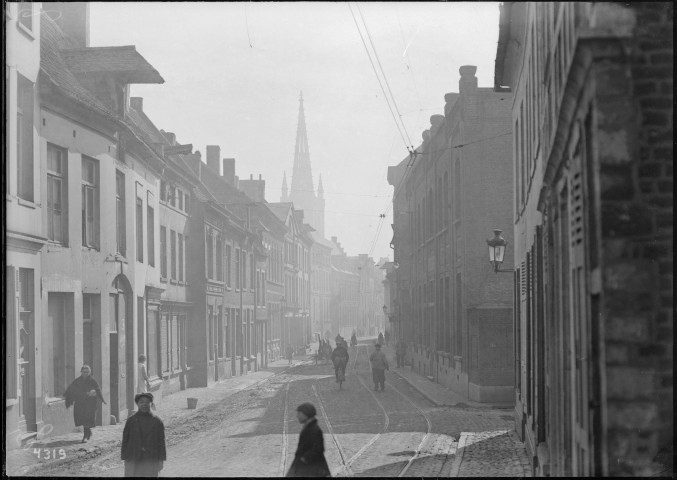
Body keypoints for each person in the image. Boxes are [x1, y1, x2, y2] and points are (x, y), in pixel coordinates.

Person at [121, 392, 166, 477]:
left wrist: (161, 460)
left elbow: (161, 442)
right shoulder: (131, 421)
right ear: (137, 404)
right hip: (133, 458)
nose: (144, 404)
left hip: (151, 459)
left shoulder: (157, 422)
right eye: (141, 402)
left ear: (151, 404)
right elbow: (125, 440)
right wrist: (125, 458)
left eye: (147, 402)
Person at [286, 403, 330, 477]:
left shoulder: (314, 430)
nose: (297, 416)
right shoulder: (308, 428)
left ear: (306, 414)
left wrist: (304, 459)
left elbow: (319, 449)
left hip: (311, 467)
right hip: (305, 465)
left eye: (299, 413)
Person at [64, 365, 106, 443]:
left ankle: (85, 436)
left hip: (90, 404)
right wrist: (68, 398)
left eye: (87, 372)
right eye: (84, 372)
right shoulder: (77, 381)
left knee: (87, 419)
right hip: (80, 403)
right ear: (81, 372)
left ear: (89, 372)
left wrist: (102, 399)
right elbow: (71, 389)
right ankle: (88, 432)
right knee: (82, 419)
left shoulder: (92, 380)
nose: (85, 373)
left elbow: (97, 389)